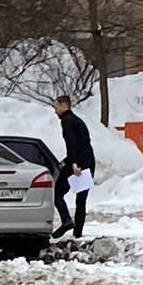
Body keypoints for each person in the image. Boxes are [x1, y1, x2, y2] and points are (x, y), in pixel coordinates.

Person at [52, 95, 96, 239]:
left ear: (64, 106)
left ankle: (66, 221)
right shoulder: (77, 120)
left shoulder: (67, 121)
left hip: (77, 163)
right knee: (81, 199)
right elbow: (84, 142)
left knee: (56, 193)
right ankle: (78, 233)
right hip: (88, 161)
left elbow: (71, 143)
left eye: (56, 107)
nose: (55, 111)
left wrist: (74, 163)